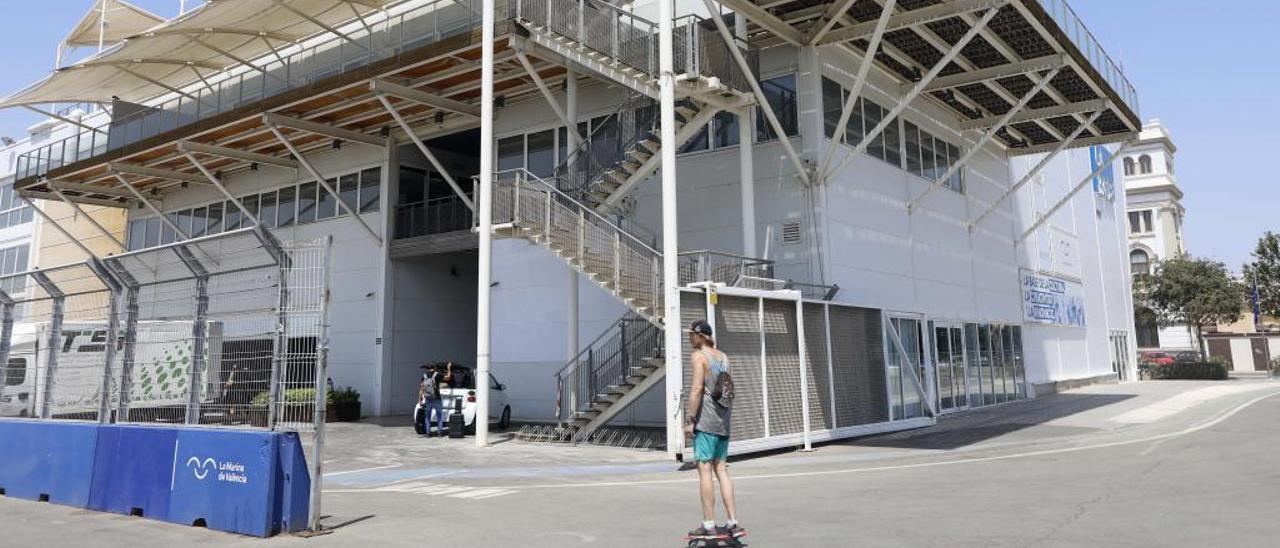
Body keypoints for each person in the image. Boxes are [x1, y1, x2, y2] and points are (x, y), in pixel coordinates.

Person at [684, 319, 741, 538]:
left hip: (706, 422)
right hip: (723, 421)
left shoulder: (699, 357)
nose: (689, 337)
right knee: (722, 469)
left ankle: (708, 524)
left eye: (691, 334)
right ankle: (733, 521)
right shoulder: (724, 357)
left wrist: (691, 420)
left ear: (701, 336)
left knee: (705, 469)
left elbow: (697, 388)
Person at [419, 363, 449, 437]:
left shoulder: (424, 375)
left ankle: (428, 433)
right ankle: (439, 433)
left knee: (428, 417)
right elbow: (448, 378)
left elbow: (421, 387)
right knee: (439, 416)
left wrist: (420, 398)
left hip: (428, 398)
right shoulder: (437, 374)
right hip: (436, 398)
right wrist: (449, 369)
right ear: (434, 368)